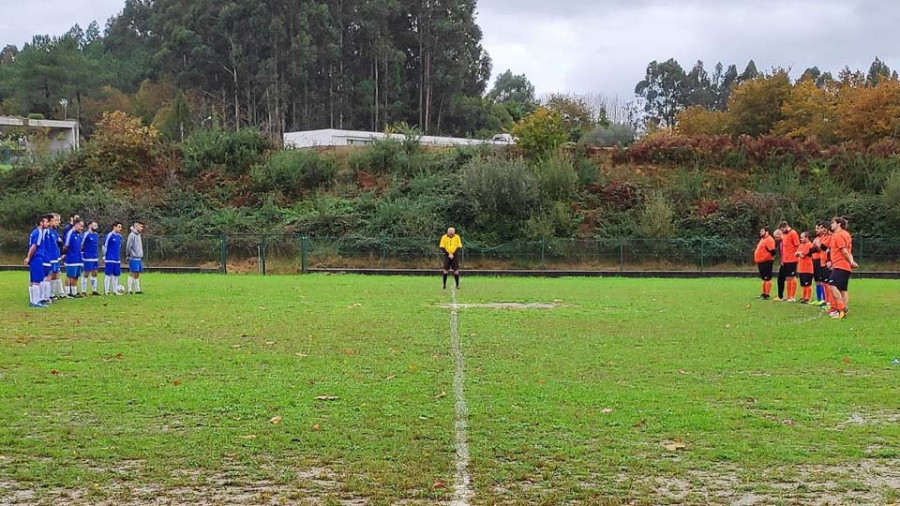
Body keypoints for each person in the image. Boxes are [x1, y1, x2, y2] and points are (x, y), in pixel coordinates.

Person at [827, 217, 858, 320]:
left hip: (841, 265)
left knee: (831, 285)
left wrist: (850, 261)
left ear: (839, 224)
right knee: (843, 289)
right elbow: (849, 251)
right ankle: (843, 311)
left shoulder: (839, 235)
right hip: (844, 265)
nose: (831, 224)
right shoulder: (846, 234)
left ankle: (841, 308)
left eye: (833, 222)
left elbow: (844, 251)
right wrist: (851, 261)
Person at [24, 215, 51, 308]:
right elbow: (34, 246)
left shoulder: (35, 232)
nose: (48, 224)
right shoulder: (39, 232)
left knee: (32, 280)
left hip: (35, 258)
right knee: (37, 280)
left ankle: (32, 301)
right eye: (46, 222)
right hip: (37, 257)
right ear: (41, 223)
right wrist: (28, 257)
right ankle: (36, 302)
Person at [775, 221, 800, 302]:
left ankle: (792, 296)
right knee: (788, 278)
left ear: (786, 226)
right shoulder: (785, 235)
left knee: (792, 277)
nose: (782, 231)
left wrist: (797, 256)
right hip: (786, 260)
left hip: (792, 259)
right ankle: (788, 295)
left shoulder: (793, 233)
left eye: (782, 229)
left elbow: (797, 246)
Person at [62, 219, 85, 298]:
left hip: (78, 259)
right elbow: (65, 246)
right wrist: (65, 254)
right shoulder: (70, 234)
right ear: (76, 225)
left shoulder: (78, 235)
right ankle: (67, 293)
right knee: (69, 276)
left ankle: (74, 292)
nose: (82, 228)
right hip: (71, 259)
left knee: (76, 276)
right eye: (81, 226)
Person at [753, 226, 777, 300]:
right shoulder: (763, 239)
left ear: (767, 232)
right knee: (764, 278)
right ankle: (763, 293)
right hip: (761, 261)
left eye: (762, 231)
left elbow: (772, 251)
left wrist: (771, 258)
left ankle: (767, 294)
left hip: (766, 261)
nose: (761, 232)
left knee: (767, 278)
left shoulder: (769, 240)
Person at [795, 231, 817, 304]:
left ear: (807, 237)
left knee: (808, 284)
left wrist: (799, 253)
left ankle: (808, 298)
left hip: (808, 268)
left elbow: (803, 255)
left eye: (802, 237)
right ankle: (804, 297)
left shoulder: (809, 245)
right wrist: (799, 253)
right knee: (803, 284)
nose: (801, 239)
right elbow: (796, 254)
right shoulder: (801, 245)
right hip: (801, 267)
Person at [47, 214, 65, 299]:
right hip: (50, 257)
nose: (58, 222)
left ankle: (53, 293)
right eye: (56, 220)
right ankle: (48, 294)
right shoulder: (47, 231)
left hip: (56, 256)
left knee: (56, 274)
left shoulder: (54, 232)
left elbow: (59, 242)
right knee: (50, 274)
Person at [103, 222, 124, 295]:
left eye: (121, 227)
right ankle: (106, 291)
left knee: (116, 274)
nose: (120, 229)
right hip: (109, 258)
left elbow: (119, 247)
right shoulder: (109, 235)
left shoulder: (119, 237)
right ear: (114, 227)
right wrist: (105, 255)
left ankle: (115, 291)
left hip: (117, 259)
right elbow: (104, 246)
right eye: (119, 227)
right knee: (108, 274)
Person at [81, 221, 101, 296]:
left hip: (95, 257)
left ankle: (94, 290)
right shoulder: (86, 234)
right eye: (95, 225)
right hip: (87, 257)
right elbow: (81, 244)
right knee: (86, 273)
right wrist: (83, 253)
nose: (96, 227)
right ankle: (83, 291)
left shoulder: (96, 235)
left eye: (97, 225)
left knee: (95, 273)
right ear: (90, 226)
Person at [126, 221, 145, 294]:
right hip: (133, 257)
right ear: (136, 226)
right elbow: (128, 246)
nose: (142, 228)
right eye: (141, 226)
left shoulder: (138, 235)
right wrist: (128, 254)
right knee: (132, 272)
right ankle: (130, 290)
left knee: (137, 273)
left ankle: (137, 290)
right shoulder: (132, 235)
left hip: (138, 257)